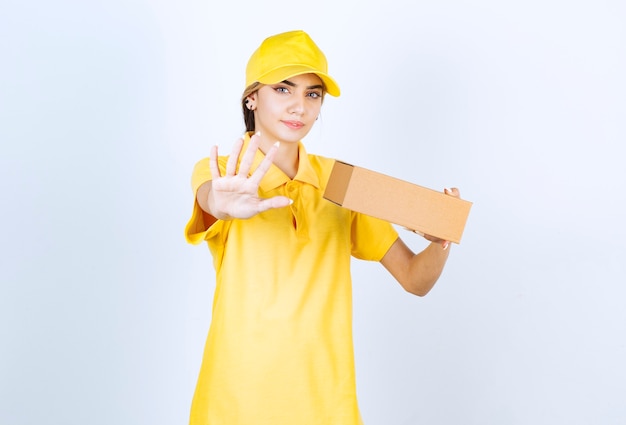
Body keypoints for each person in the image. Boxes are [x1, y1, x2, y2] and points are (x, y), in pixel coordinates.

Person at [184, 29, 461, 425]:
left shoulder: (343, 183)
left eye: (312, 94)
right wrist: (220, 203)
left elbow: (415, 280)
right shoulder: (225, 173)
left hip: (326, 402)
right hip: (236, 397)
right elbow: (211, 198)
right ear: (251, 97)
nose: (299, 106)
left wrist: (442, 237)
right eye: (283, 89)